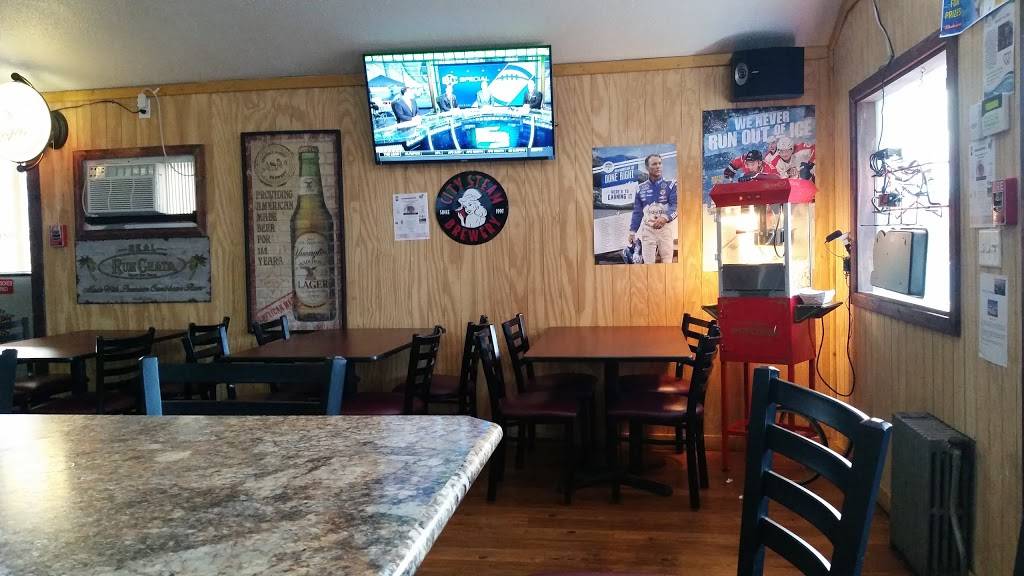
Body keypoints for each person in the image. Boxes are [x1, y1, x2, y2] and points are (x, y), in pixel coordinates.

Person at [627, 154, 678, 264]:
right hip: (648, 231)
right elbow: (637, 212)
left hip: (665, 230)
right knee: (648, 265)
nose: (658, 166)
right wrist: (632, 232)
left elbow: (675, 206)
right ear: (647, 167)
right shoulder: (640, 188)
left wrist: (665, 218)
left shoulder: (671, 185)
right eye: (654, 164)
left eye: (660, 163)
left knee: (668, 264)